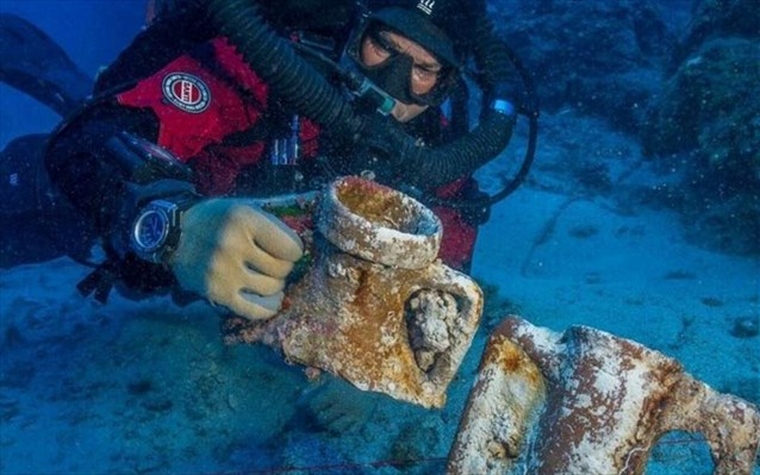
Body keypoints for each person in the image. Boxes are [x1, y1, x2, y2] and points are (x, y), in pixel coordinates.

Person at [41, 0, 521, 321]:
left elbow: (449, 268)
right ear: (355, 31)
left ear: (446, 85)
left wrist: (387, 357)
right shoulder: (264, 73)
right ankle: (63, 80)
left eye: (424, 68)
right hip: (133, 245)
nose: (395, 79)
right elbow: (94, 139)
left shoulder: (436, 154)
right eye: (384, 47)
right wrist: (172, 224)